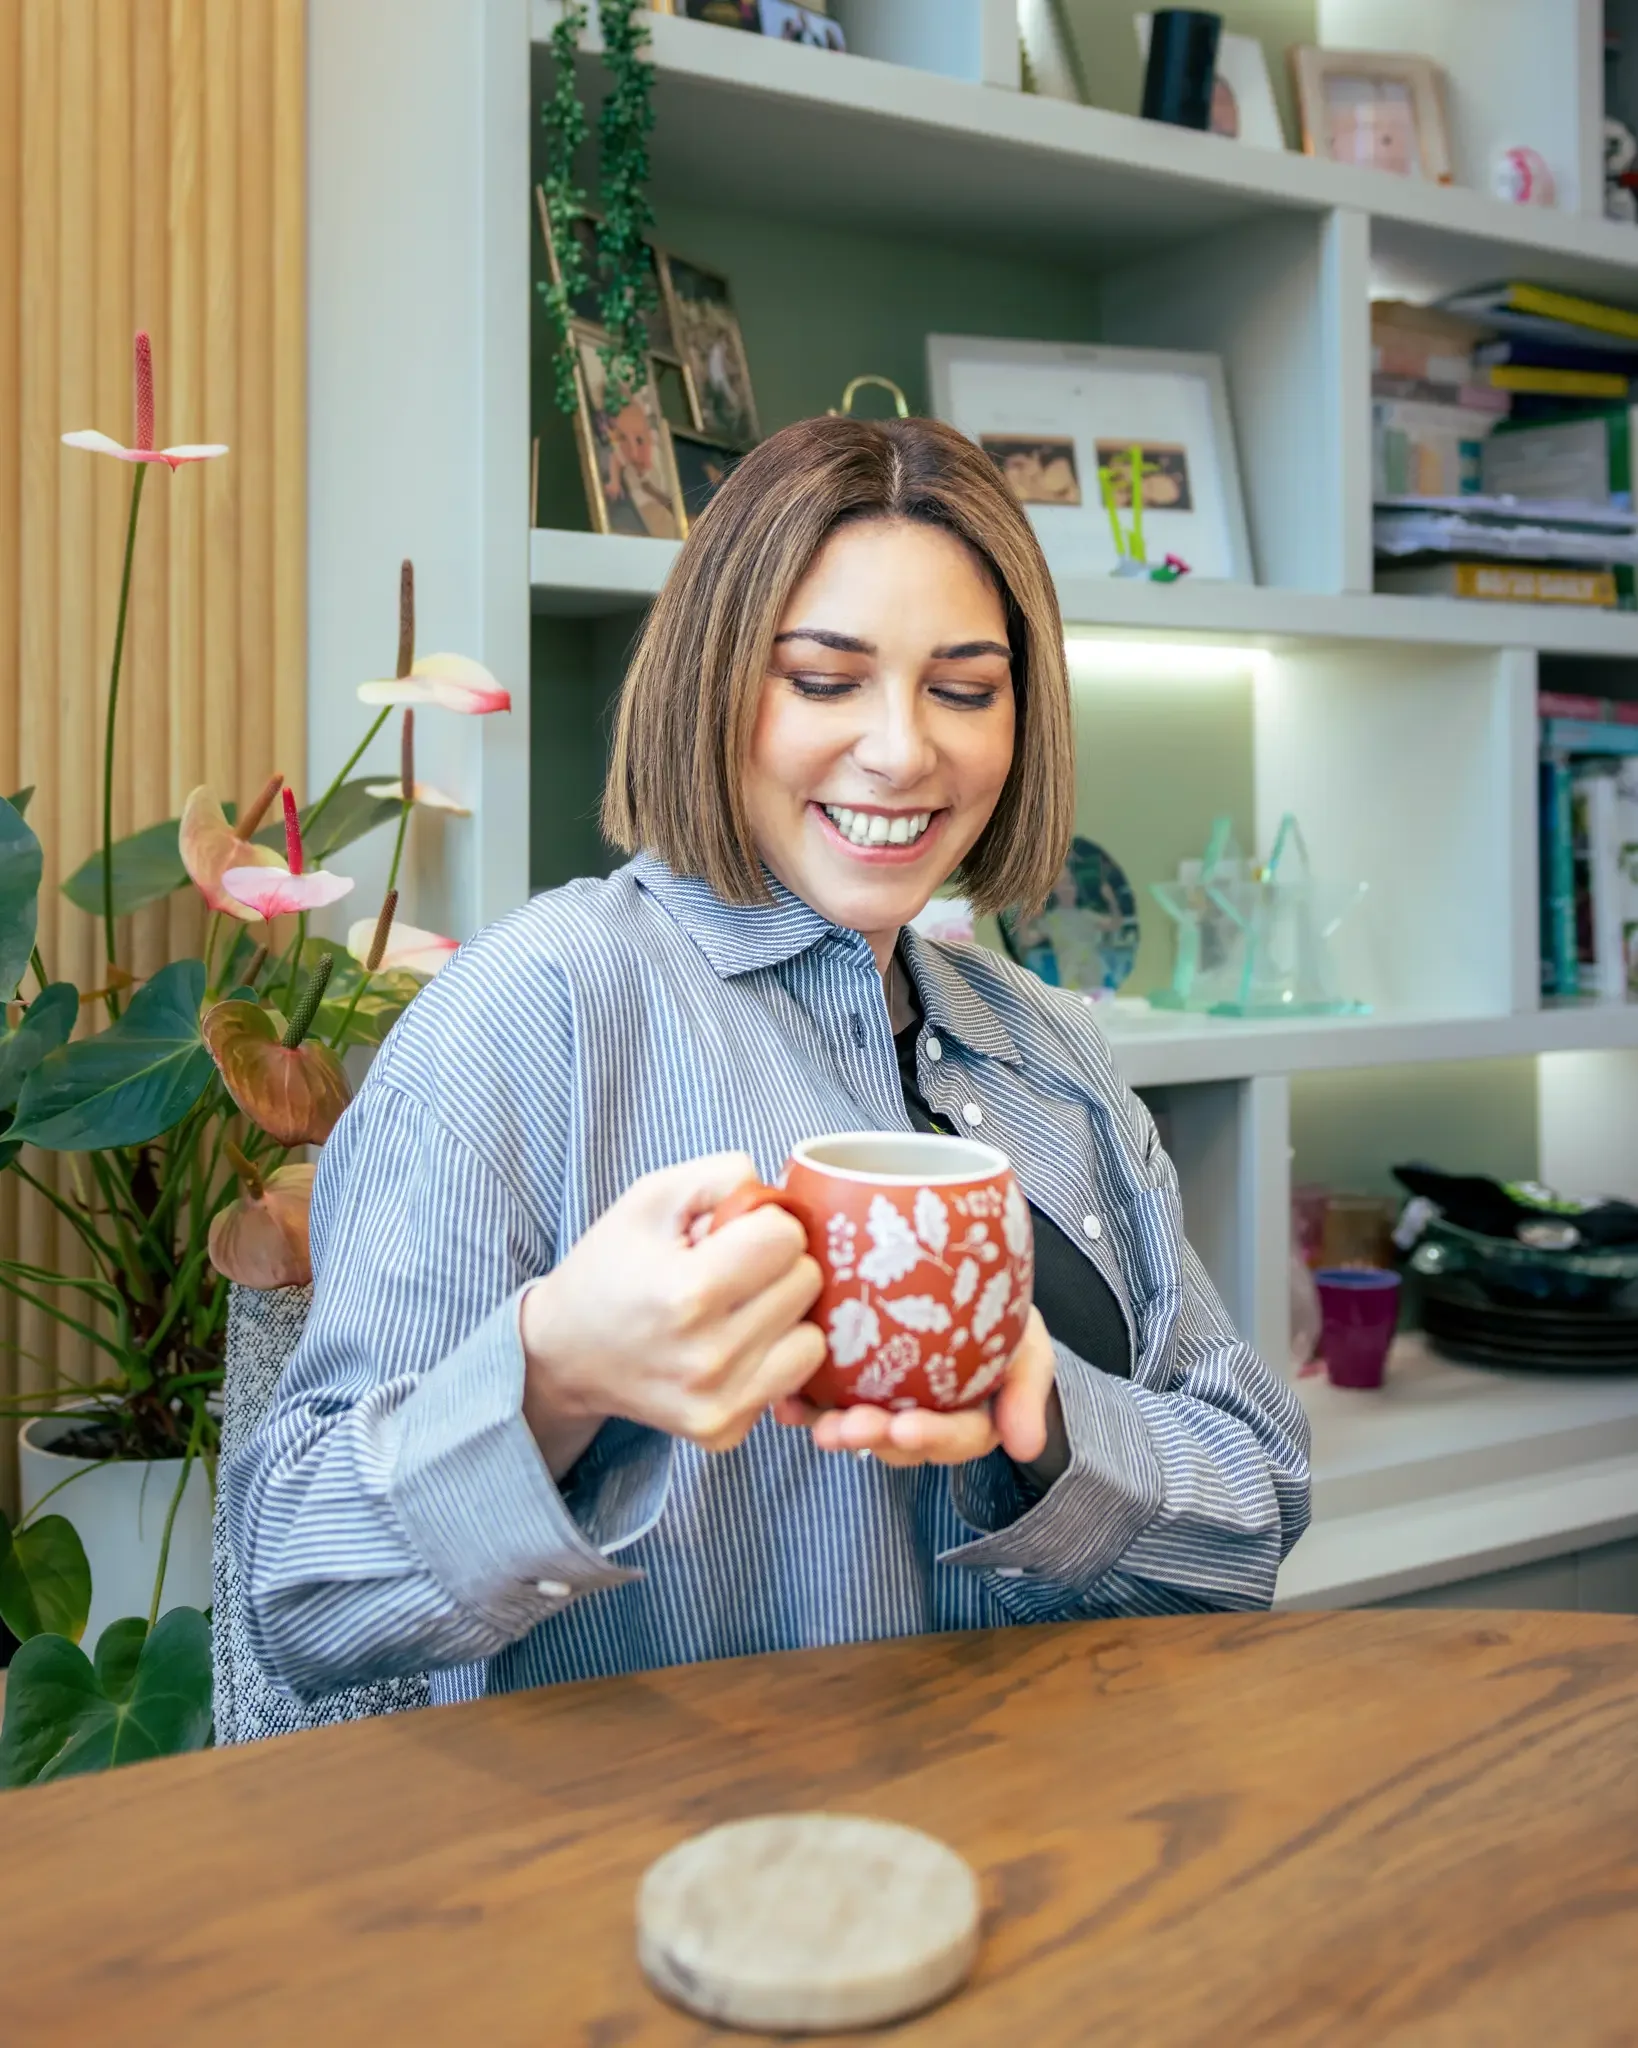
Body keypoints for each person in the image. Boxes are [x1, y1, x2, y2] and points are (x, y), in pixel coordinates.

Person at [227, 415, 1310, 1706]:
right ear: (713, 682)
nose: (904, 750)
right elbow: (297, 1586)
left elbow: (1254, 1511)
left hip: (1041, 1836)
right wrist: (555, 1374)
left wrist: (1050, 1409)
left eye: (963, 689)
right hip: (649, 1864)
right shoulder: (532, 1014)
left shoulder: (1046, 1045)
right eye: (822, 678)